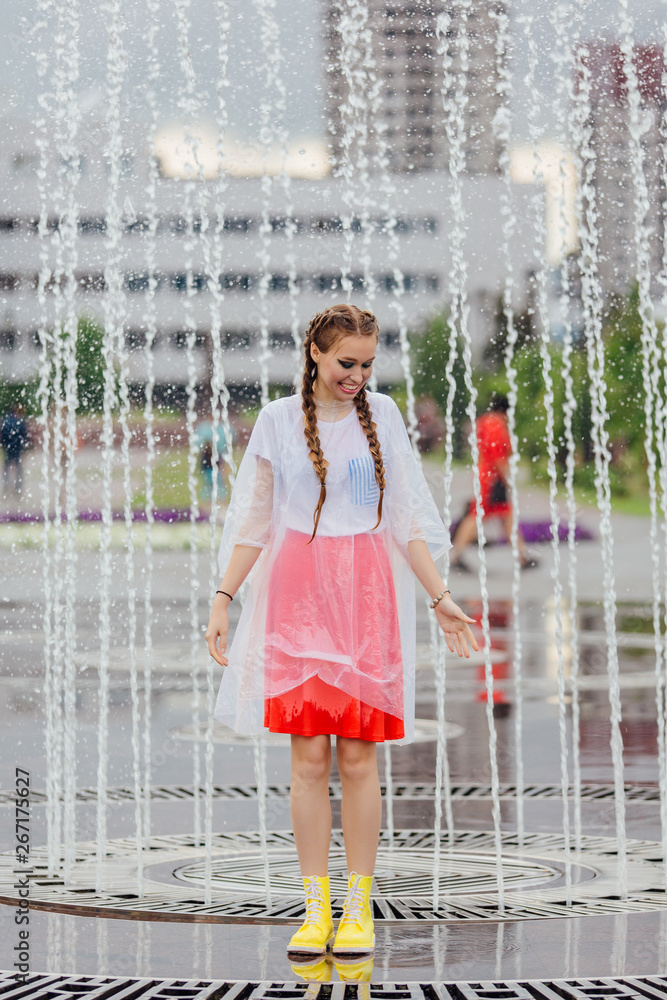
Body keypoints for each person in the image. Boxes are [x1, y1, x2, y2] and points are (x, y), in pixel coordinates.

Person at [205, 304, 478, 968]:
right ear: (314, 355)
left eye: (365, 364)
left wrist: (440, 599)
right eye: (344, 363)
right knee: (306, 759)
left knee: (357, 758)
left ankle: (356, 905)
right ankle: (314, 904)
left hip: (364, 597)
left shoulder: (380, 416)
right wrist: (223, 597)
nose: (355, 375)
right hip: (297, 596)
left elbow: (404, 521)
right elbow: (255, 521)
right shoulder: (276, 421)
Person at [450, 394, 537, 571]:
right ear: (506, 411)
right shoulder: (495, 424)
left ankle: (522, 556)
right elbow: (497, 455)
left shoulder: (485, 421)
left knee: (505, 516)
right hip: (491, 479)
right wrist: (507, 478)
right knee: (476, 515)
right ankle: (455, 556)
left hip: (486, 476)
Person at [1, 404, 29, 496]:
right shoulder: (21, 422)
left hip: (8, 447)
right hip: (17, 448)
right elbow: (24, 435)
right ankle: (17, 488)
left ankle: (6, 486)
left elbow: (2, 434)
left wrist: (4, 445)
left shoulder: (6, 421)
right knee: (18, 467)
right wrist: (24, 447)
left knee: (7, 467)